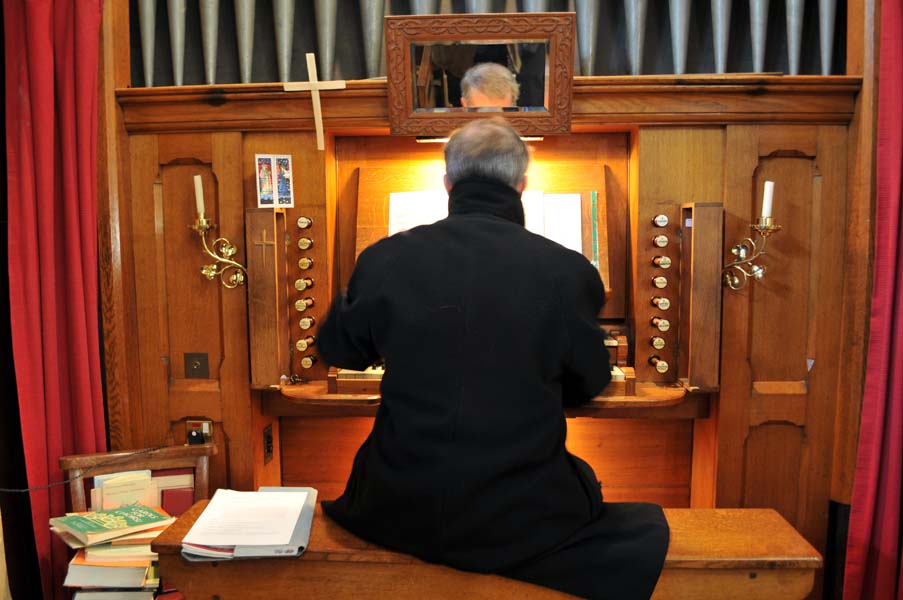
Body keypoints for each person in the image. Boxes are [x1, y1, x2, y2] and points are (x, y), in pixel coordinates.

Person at [318, 118, 670, 600]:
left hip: (396, 504)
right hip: (522, 512)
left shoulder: (385, 257)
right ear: (522, 185)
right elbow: (588, 383)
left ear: (447, 184)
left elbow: (339, 351)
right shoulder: (567, 269)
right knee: (629, 519)